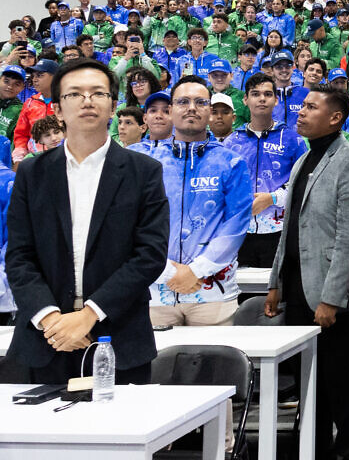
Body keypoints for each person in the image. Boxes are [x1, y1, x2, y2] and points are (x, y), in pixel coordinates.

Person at [5, 58, 169, 383]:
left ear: (113, 106)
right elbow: (19, 256)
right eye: (75, 94)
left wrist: (88, 315)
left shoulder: (144, 172)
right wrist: (52, 319)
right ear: (57, 109)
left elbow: (149, 254)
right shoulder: (32, 173)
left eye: (98, 93)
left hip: (118, 338)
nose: (87, 100)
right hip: (44, 339)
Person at [265, 84, 349, 459]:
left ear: (335, 118)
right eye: (302, 105)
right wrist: (276, 283)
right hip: (299, 292)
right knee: (311, 391)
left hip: (340, 302)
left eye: (311, 107)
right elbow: (290, 230)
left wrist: (332, 299)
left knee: (345, 391)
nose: (301, 111)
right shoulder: (303, 161)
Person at [131, 76, 251, 326]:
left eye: (200, 102)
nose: (192, 108)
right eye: (183, 102)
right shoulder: (147, 163)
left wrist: (196, 270)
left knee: (215, 354)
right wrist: (167, 271)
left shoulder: (231, 163)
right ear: (171, 110)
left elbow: (236, 225)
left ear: (210, 110)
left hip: (212, 294)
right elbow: (131, 223)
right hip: (154, 290)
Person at [224, 73, 307, 269]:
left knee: (277, 287)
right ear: (245, 100)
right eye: (255, 94)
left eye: (268, 94)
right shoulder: (231, 142)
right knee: (242, 288)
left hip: (280, 233)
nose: (262, 98)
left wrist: (272, 198)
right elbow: (224, 187)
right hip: (239, 233)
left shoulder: (293, 140)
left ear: (276, 100)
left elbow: (304, 183)